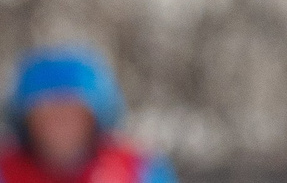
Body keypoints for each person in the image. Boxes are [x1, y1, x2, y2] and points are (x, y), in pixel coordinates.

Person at [3, 47, 175, 183]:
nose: (61, 124)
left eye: (72, 112)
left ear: (95, 118)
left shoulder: (138, 170)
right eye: (48, 114)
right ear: (26, 121)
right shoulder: (5, 172)